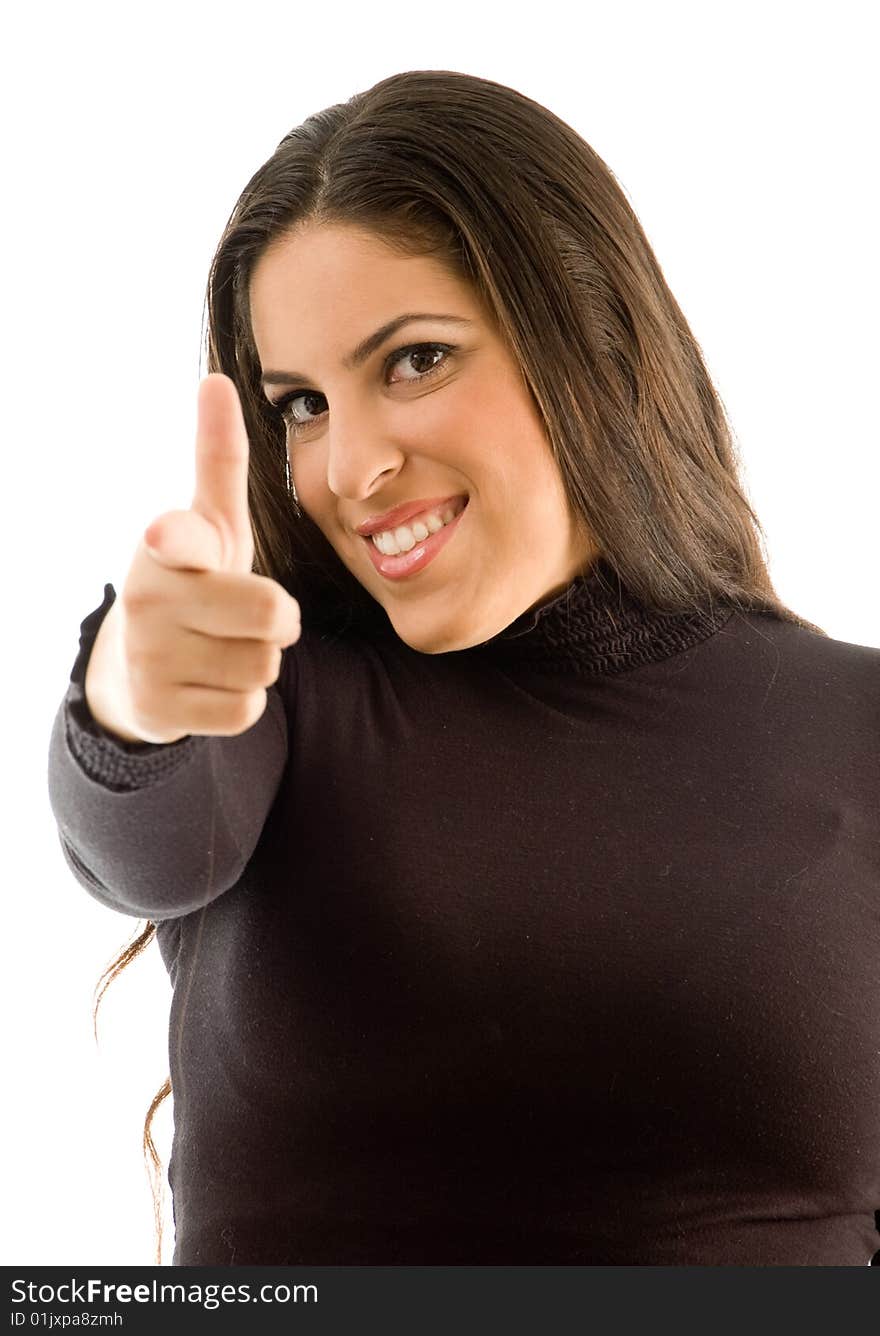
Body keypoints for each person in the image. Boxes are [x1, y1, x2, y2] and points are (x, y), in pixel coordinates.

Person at [47, 68, 880, 1267]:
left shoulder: (855, 725)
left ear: (586, 334)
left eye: (414, 361)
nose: (347, 468)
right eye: (303, 404)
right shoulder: (274, 698)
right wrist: (129, 689)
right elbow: (141, 838)